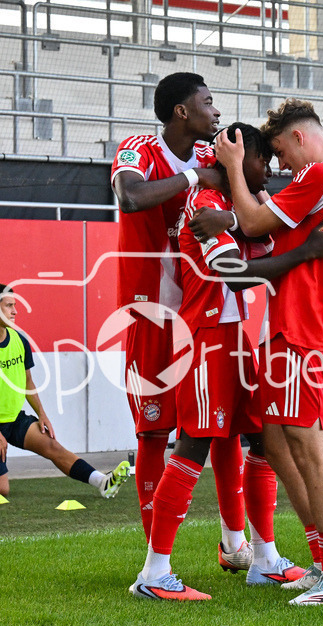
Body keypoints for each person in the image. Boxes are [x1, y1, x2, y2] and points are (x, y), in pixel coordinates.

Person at [129, 123, 323, 600]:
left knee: (264, 442)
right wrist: (308, 252)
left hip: (236, 338)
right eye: (262, 160)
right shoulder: (205, 203)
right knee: (192, 446)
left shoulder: (229, 209)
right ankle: (153, 572)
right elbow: (232, 274)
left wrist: (242, 214)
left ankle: (264, 558)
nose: (268, 170)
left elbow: (263, 233)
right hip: (206, 337)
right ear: (237, 158)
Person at [204, 99, 323, 606]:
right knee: (275, 443)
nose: (280, 166)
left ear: (299, 137)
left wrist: (233, 166)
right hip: (296, 328)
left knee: (309, 446)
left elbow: (253, 224)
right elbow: (275, 229)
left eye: (279, 152)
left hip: (303, 330)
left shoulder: (319, 175)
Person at [110, 72, 245, 552]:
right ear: (182, 111)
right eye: (208, 102)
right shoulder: (138, 149)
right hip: (150, 315)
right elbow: (130, 197)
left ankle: (236, 544)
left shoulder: (214, 155)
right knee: (153, 431)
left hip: (207, 315)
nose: (216, 111)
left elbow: (253, 204)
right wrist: (193, 178)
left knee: (223, 429)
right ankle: (157, 558)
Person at [0, 283, 130, 499]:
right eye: (9, 306)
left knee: (52, 445)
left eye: (14, 305)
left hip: (14, 420)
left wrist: (42, 414)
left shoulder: (20, 340)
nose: (15, 311)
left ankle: (102, 481)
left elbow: (28, 382)